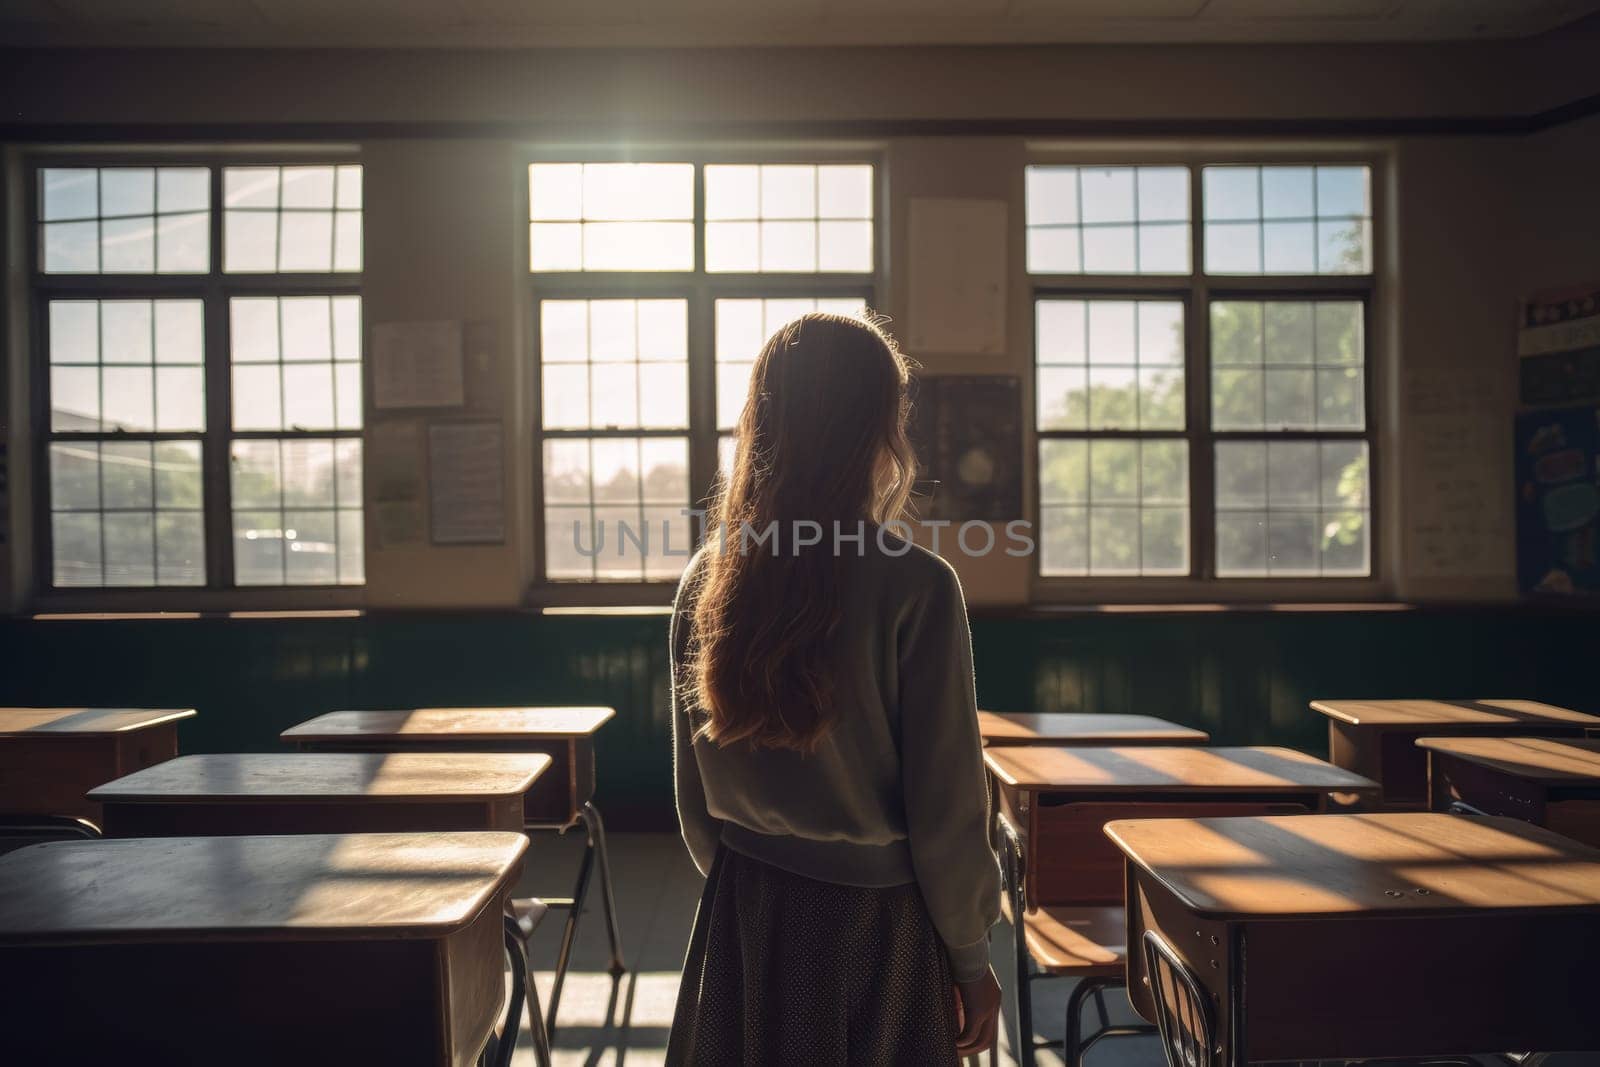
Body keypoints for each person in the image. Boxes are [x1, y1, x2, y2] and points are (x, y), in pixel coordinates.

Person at [666, 312, 1002, 1066]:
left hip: (745, 909)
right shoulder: (917, 586)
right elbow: (948, 810)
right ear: (880, 429)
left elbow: (695, 806)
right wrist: (972, 961)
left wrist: (755, 881)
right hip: (876, 927)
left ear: (761, 420)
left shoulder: (708, 582)